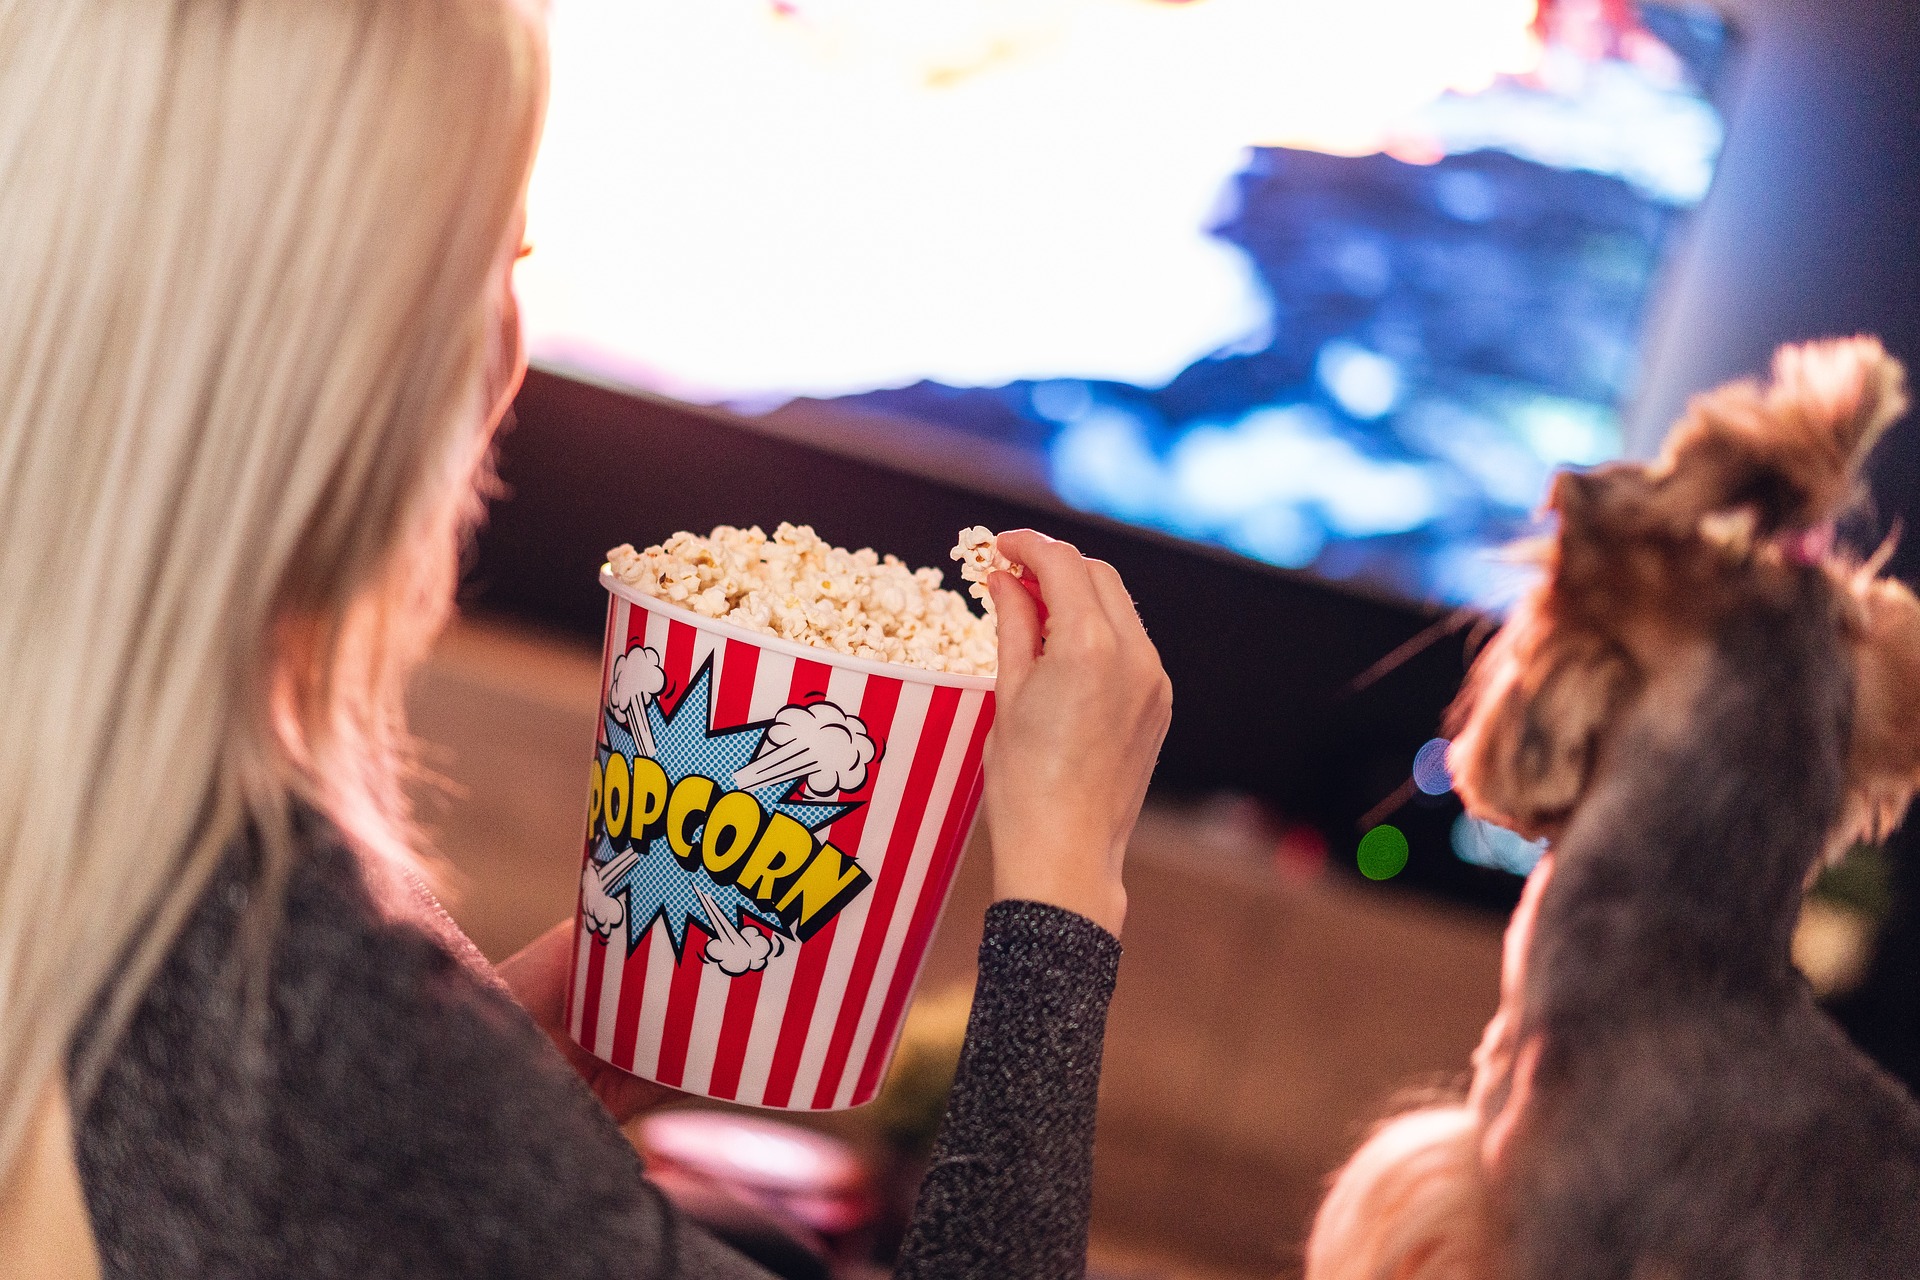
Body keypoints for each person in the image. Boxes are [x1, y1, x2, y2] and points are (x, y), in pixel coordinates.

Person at [0, 3, 1172, 1277]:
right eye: (498, 262)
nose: (510, 337)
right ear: (358, 351)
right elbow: (309, 1111)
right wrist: (1067, 884)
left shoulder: (165, 893)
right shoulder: (302, 997)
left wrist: (488, 1113)